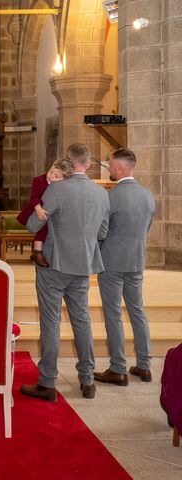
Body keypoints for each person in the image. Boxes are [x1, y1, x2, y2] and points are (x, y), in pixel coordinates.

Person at [20, 143, 109, 402]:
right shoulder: (101, 194)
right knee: (82, 321)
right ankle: (88, 380)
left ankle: (47, 383)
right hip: (83, 266)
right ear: (89, 164)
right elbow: (102, 233)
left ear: (67, 162)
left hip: (53, 265)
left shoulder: (56, 189)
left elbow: (32, 225)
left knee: (51, 322)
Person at [94, 148, 155, 386]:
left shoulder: (111, 197)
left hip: (111, 262)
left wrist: (96, 252)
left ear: (120, 168)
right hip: (136, 260)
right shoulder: (148, 195)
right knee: (137, 311)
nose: (108, 168)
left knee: (113, 315)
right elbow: (145, 229)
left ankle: (118, 368)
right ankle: (144, 365)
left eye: (110, 164)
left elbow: (101, 231)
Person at [17, 158, 74, 267]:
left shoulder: (62, 185)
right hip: (37, 208)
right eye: (51, 172)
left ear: (63, 179)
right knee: (42, 225)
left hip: (51, 211)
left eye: (56, 176)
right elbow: (34, 197)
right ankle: (37, 251)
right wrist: (38, 209)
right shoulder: (38, 180)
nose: (51, 176)